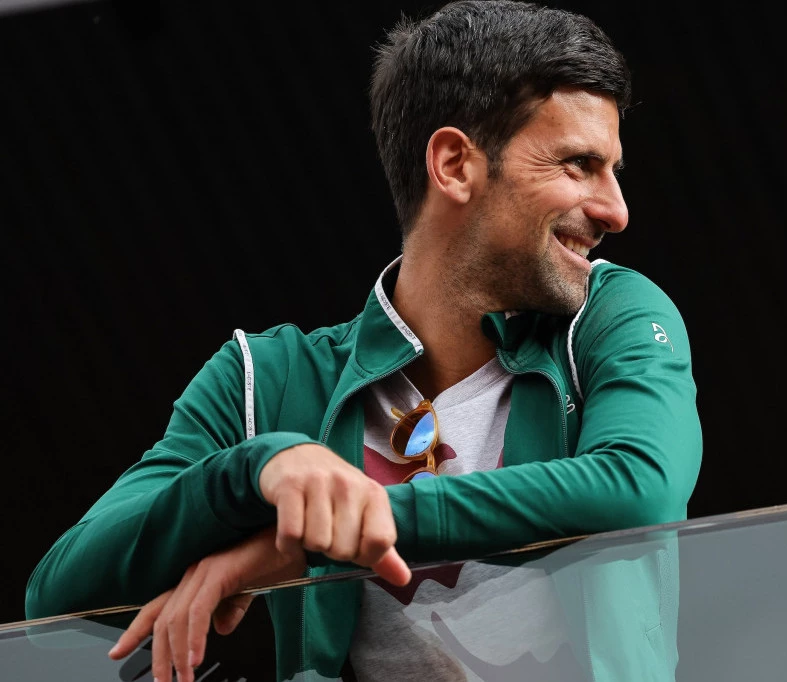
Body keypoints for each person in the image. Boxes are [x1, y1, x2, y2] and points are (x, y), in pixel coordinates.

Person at [25, 1, 702, 680]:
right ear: (454, 164)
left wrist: (322, 532)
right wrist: (262, 471)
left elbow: (638, 489)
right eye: (578, 165)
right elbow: (56, 594)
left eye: (612, 170)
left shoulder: (612, 312)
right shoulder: (264, 377)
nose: (616, 209)